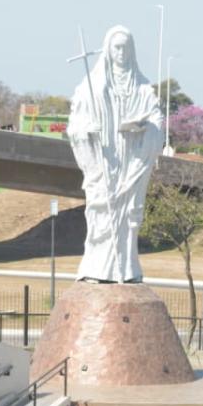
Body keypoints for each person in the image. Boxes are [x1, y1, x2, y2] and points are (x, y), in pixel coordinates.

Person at [67, 25, 164, 283]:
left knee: (128, 220)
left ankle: (127, 269)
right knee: (101, 215)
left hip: (131, 162)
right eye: (116, 48)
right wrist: (87, 130)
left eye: (125, 48)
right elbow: (74, 125)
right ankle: (96, 269)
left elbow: (156, 120)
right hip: (104, 163)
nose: (121, 53)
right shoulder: (92, 87)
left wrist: (146, 129)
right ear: (108, 50)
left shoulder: (143, 88)